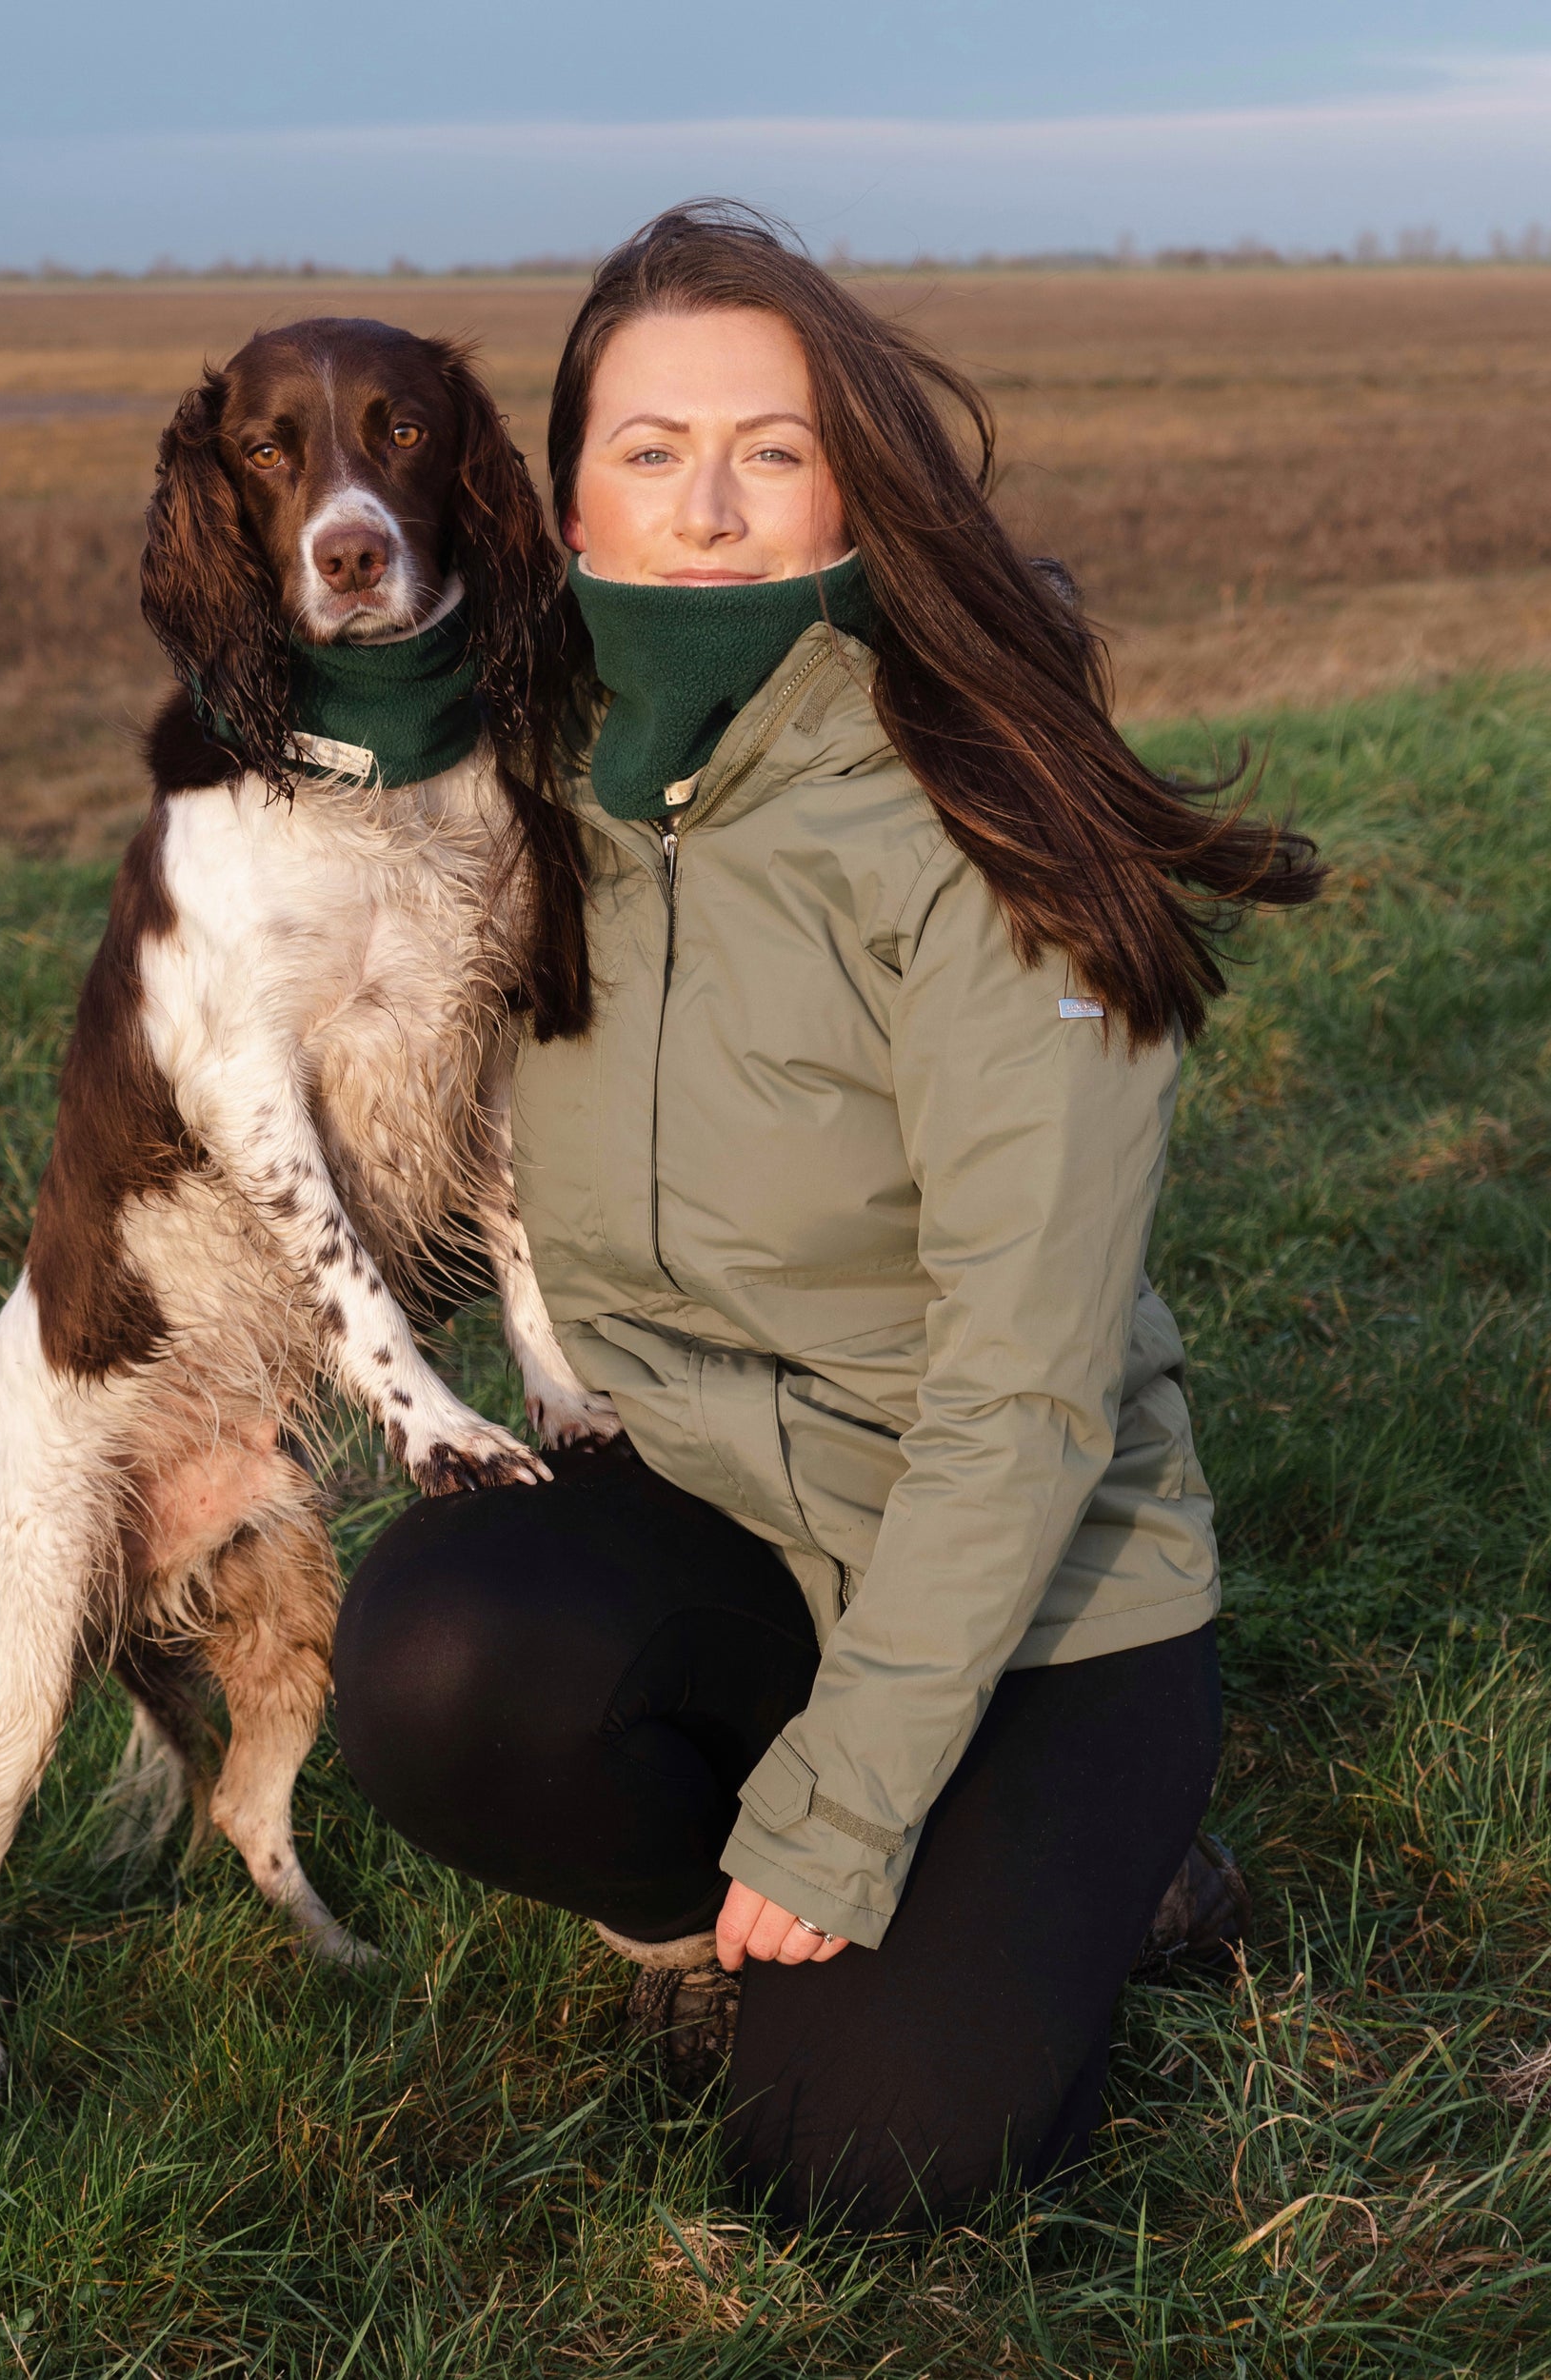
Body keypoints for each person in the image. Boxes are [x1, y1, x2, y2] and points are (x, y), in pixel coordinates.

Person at [331, 204, 1321, 2231]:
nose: (705, 507)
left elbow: (1030, 1390)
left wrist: (855, 1800)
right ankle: (705, 1904)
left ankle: (1119, 1861)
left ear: (854, 473)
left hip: (1041, 1580)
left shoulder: (986, 812)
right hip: (715, 1508)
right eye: (648, 447)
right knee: (436, 1657)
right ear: (569, 488)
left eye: (769, 450)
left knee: (868, 2157)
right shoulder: (535, 777)